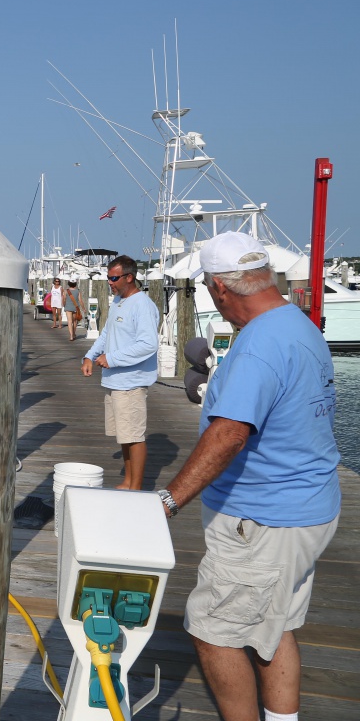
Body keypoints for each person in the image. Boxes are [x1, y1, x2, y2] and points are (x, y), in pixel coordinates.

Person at [156, 232, 340, 721]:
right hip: (307, 507)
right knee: (273, 625)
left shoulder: (259, 344)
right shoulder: (299, 326)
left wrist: (168, 503)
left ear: (220, 288)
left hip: (264, 523)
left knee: (212, 630)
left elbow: (230, 434)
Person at [80, 255, 159, 490]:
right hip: (114, 382)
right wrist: (90, 356)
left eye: (114, 278)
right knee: (123, 436)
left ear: (129, 277)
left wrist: (112, 359)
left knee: (134, 436)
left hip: (131, 383)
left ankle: (135, 487)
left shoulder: (142, 305)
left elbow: (148, 344)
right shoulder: (117, 301)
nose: (110, 282)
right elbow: (106, 334)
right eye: (108, 278)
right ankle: (127, 481)